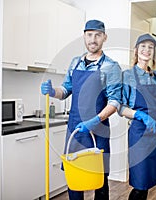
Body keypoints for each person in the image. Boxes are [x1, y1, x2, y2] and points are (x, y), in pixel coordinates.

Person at [41, 19, 122, 200]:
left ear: (104, 38)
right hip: (75, 128)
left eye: (98, 35)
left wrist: (94, 120)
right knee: (74, 177)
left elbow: (115, 102)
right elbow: (66, 90)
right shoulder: (75, 62)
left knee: (99, 179)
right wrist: (53, 91)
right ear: (84, 37)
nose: (93, 40)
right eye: (89, 35)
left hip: (98, 129)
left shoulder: (111, 66)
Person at [118, 33, 156, 200]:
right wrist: (140, 115)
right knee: (140, 183)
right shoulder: (127, 75)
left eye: (151, 47)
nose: (147, 50)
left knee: (149, 181)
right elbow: (120, 108)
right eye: (143, 46)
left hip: (155, 132)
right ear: (136, 50)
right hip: (139, 133)